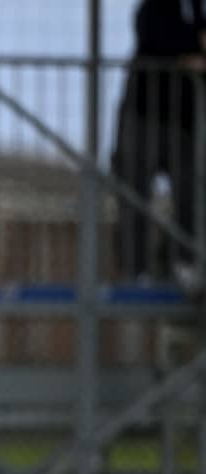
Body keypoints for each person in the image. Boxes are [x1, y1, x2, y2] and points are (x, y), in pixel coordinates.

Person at [111, 0, 206, 287]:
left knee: (192, 197)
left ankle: (182, 266)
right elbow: (155, 34)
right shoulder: (159, 6)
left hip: (186, 124)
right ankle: (135, 272)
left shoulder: (196, 7)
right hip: (144, 116)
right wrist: (194, 48)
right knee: (134, 195)